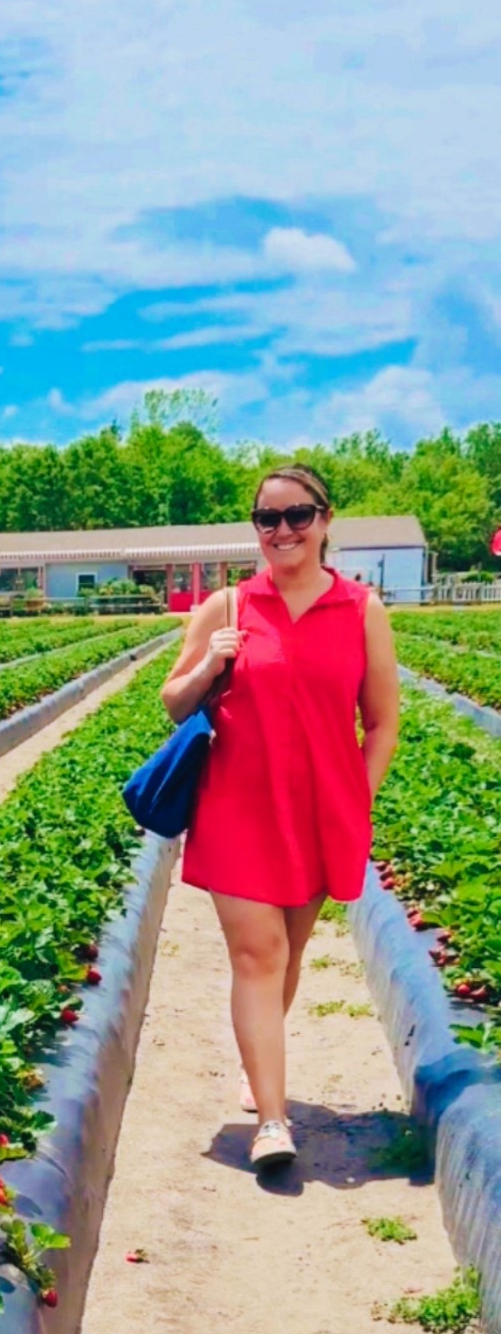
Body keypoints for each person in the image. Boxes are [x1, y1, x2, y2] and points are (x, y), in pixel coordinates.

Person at [161, 464, 399, 1171]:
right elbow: (173, 702)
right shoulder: (229, 606)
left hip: (322, 811)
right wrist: (208, 666)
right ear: (256, 529)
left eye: (299, 515)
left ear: (325, 520)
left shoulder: (361, 611)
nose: (284, 530)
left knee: (287, 954)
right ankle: (272, 1120)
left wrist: (357, 797)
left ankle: (257, 1064)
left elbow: (382, 723)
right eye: (269, 519)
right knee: (257, 953)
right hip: (236, 807)